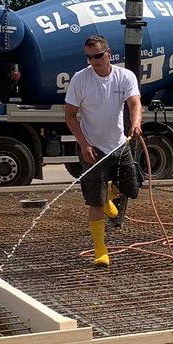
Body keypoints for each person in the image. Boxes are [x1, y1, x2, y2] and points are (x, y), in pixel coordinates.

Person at [64, 34, 143, 266]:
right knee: (95, 202)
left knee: (132, 188)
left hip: (119, 144)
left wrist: (136, 122)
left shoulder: (124, 76)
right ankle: (100, 249)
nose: (93, 61)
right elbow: (69, 115)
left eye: (97, 56)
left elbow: (134, 102)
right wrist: (84, 144)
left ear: (109, 54)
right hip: (93, 147)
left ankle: (112, 195)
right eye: (89, 57)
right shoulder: (81, 80)